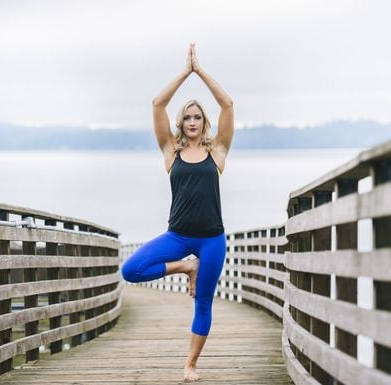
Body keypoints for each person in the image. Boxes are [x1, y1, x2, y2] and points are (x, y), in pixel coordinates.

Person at [121, 43, 234, 382]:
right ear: (180, 123)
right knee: (132, 269)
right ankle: (186, 267)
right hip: (178, 236)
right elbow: (158, 103)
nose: (192, 122)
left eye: (197, 117)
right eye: (187, 117)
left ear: (205, 122)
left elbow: (228, 104)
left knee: (203, 303)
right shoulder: (171, 152)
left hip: (212, 239)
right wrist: (185, 72)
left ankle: (190, 364)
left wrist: (201, 71)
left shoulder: (219, 151)